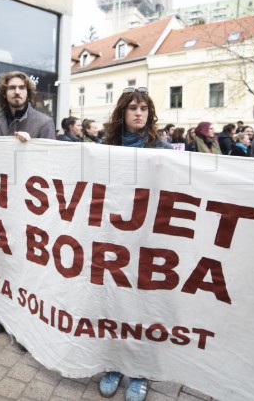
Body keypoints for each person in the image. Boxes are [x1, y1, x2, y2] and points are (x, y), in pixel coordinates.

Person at [99, 86, 169, 401]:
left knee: (143, 307)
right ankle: (115, 363)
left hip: (149, 240)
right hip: (114, 239)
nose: (138, 113)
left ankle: (140, 372)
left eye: (143, 108)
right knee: (114, 304)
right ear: (122, 113)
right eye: (132, 108)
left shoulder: (164, 149)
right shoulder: (104, 148)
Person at [0, 71, 55, 338]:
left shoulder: (43, 122)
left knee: (29, 266)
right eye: (12, 88)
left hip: (31, 206)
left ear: (28, 92)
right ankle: (3, 317)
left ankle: (27, 323)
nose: (16, 92)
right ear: (5, 92)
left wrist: (31, 149)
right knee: (4, 262)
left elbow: (52, 164)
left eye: (21, 88)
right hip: (4, 203)